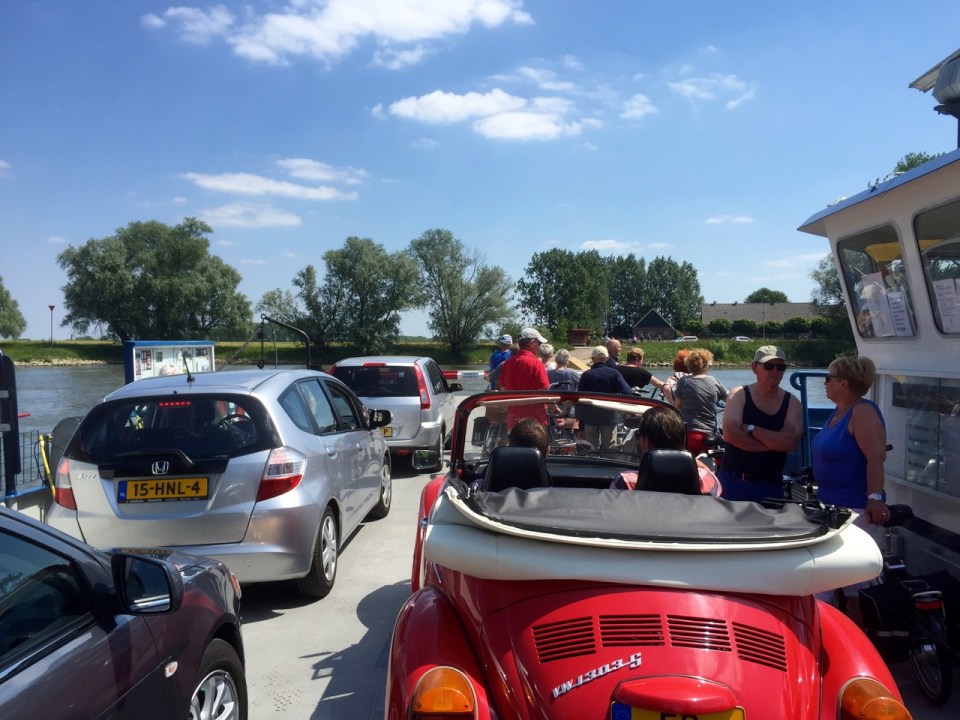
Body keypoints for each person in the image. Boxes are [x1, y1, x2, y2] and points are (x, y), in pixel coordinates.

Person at [812, 356, 888, 606]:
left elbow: (875, 457)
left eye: (828, 378)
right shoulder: (838, 413)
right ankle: (857, 634)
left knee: (824, 581)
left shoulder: (862, 411)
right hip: (831, 507)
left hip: (855, 510)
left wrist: (874, 498)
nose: (825, 384)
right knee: (853, 587)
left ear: (843, 383)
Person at [719, 345, 802, 502]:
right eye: (769, 366)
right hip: (733, 482)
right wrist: (773, 445)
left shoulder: (792, 403)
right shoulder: (738, 395)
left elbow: (791, 443)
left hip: (770, 485)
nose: (774, 371)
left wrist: (751, 428)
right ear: (754, 368)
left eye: (780, 367)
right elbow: (730, 435)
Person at [611, 405, 721, 496]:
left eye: (638, 436)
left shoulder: (626, 482)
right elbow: (708, 473)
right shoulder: (705, 479)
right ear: (682, 440)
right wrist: (686, 458)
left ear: (646, 441)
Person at [576, 345, 632, 450]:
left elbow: (579, 399)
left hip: (590, 419)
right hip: (609, 418)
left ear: (593, 359)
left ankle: (593, 465)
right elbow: (627, 392)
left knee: (591, 450)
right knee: (610, 452)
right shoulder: (614, 373)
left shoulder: (586, 375)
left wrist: (580, 423)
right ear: (607, 359)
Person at [498, 328, 550, 427]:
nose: (539, 347)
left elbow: (503, 390)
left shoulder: (507, 363)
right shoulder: (537, 364)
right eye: (538, 343)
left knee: (514, 442)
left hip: (514, 420)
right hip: (534, 421)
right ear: (532, 343)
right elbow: (544, 391)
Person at [672, 348, 727, 435]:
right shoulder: (715, 381)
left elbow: (677, 405)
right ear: (705, 366)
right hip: (709, 432)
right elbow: (730, 400)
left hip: (688, 431)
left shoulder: (683, 381)